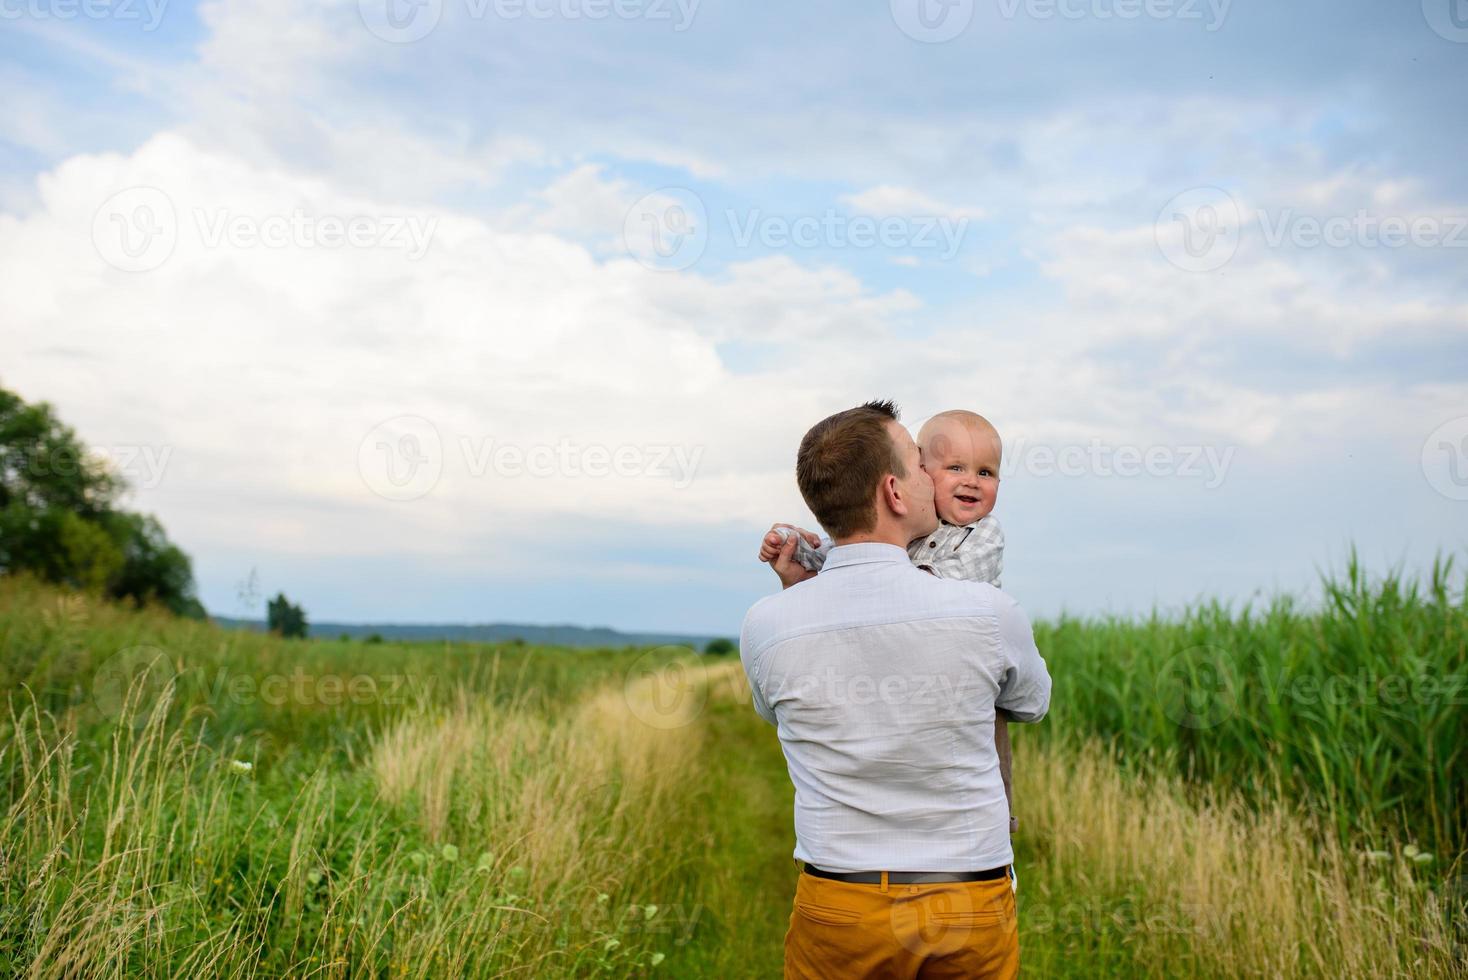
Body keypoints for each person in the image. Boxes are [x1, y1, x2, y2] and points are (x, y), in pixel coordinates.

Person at [740, 400, 1051, 979]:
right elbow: (1031, 703)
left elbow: (779, 713)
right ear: (894, 491)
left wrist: (800, 593)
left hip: (840, 904)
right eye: (920, 463)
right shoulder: (987, 611)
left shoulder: (768, 621)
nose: (937, 482)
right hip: (967, 901)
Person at [757, 409, 1020, 851]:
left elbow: (1023, 701)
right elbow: (832, 558)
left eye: (986, 472)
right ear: (897, 490)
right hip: (953, 872)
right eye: (944, 467)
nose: (972, 481)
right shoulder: (917, 546)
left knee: (990, 741)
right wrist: (791, 542)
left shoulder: (981, 538)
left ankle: (1001, 815)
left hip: (838, 875)